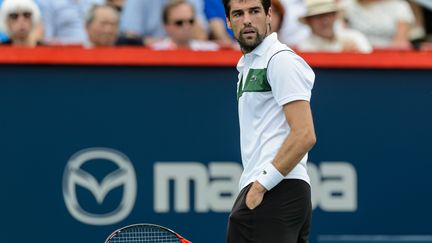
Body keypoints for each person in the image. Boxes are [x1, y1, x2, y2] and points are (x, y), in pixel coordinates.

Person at [222, 0, 317, 242]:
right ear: (228, 21)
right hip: (274, 191)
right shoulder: (248, 66)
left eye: (254, 11)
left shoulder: (280, 59)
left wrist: (261, 186)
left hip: (276, 190)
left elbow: (304, 134)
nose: (246, 20)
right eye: (238, 13)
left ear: (269, 15)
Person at [119, 0, 208, 46]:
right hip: (150, 60)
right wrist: (165, 44)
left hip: (190, 56)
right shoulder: (138, 1)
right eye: (179, 23)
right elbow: (130, 38)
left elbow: (201, 36)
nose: (185, 25)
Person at [298, 0, 372, 53]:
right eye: (318, 16)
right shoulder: (304, 47)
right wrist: (345, 56)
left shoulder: (355, 37)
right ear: (308, 21)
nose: (325, 21)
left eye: (328, 15)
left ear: (335, 16)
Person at [150, 0, 219, 50]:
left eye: (191, 21)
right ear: (166, 26)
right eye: (179, 23)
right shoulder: (156, 51)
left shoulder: (209, 50)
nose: (186, 26)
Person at [344, 0, 415, 49]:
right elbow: (342, 37)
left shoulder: (400, 6)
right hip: (355, 55)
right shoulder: (347, 6)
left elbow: (400, 42)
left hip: (388, 59)